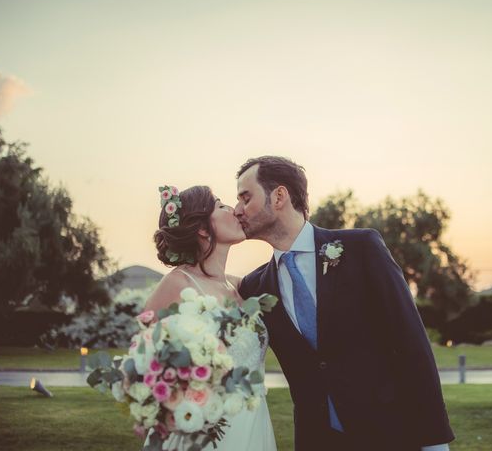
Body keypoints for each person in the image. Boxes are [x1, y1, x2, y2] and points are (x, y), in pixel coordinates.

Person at [235, 156, 454, 451]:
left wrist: (434, 440)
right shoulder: (255, 287)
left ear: (279, 196)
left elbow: (412, 342)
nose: (237, 210)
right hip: (318, 440)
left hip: (391, 432)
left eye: (245, 198)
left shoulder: (361, 248)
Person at [143, 184, 277, 451]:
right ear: (203, 228)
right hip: (203, 429)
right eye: (220, 205)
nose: (233, 209)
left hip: (254, 420)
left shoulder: (240, 287)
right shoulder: (177, 284)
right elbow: (144, 359)